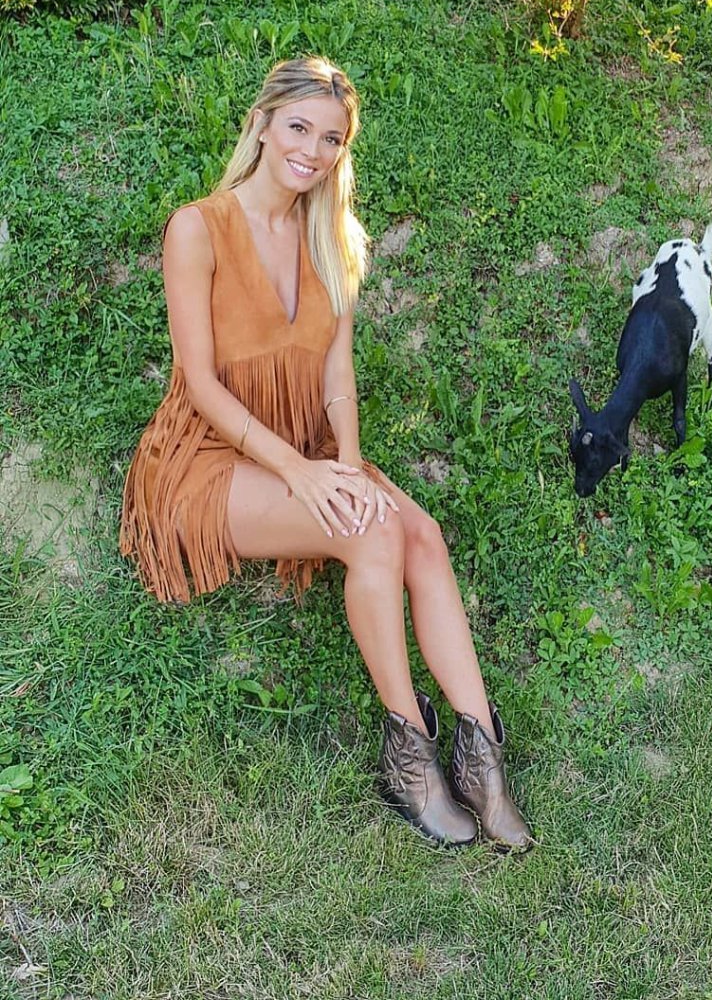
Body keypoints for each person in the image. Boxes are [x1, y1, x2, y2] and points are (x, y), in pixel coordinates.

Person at [120, 56, 533, 851]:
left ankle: (481, 756)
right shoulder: (198, 229)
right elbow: (199, 385)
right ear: (262, 125)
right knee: (370, 530)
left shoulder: (332, 238)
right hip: (205, 459)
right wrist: (301, 473)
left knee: (421, 534)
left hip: (309, 448)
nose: (311, 150)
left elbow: (336, 373)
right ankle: (409, 759)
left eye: (331, 138)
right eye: (299, 127)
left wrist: (345, 460)